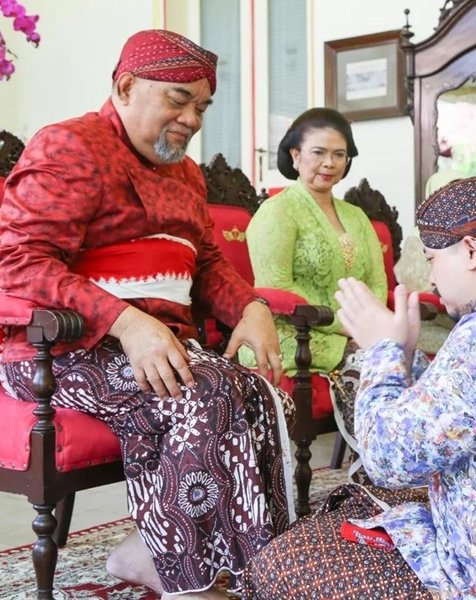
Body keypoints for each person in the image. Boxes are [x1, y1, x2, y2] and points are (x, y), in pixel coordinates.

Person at [0, 30, 292, 599]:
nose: (191, 117)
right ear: (126, 86)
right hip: (60, 348)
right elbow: (16, 262)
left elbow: (206, 264)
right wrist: (126, 323)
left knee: (261, 394)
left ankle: (241, 565)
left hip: (159, 341)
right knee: (201, 390)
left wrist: (251, 307)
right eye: (178, 99)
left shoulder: (186, 173)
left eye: (202, 105)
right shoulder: (69, 146)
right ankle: (181, 575)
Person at [246, 175, 476, 599]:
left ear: (471, 251)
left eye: (432, 258)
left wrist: (382, 351)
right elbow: (451, 421)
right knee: (348, 512)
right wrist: (406, 356)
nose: (430, 276)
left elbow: (388, 460)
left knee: (282, 564)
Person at [243, 107, 386, 473]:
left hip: (353, 330)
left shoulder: (356, 216)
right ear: (295, 155)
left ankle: (385, 470)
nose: (329, 163)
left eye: (339, 154)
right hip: (293, 333)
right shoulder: (278, 212)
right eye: (318, 152)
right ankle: (379, 467)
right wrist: (348, 326)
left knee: (401, 357)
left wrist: (371, 324)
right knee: (375, 363)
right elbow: (275, 287)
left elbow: (377, 280)